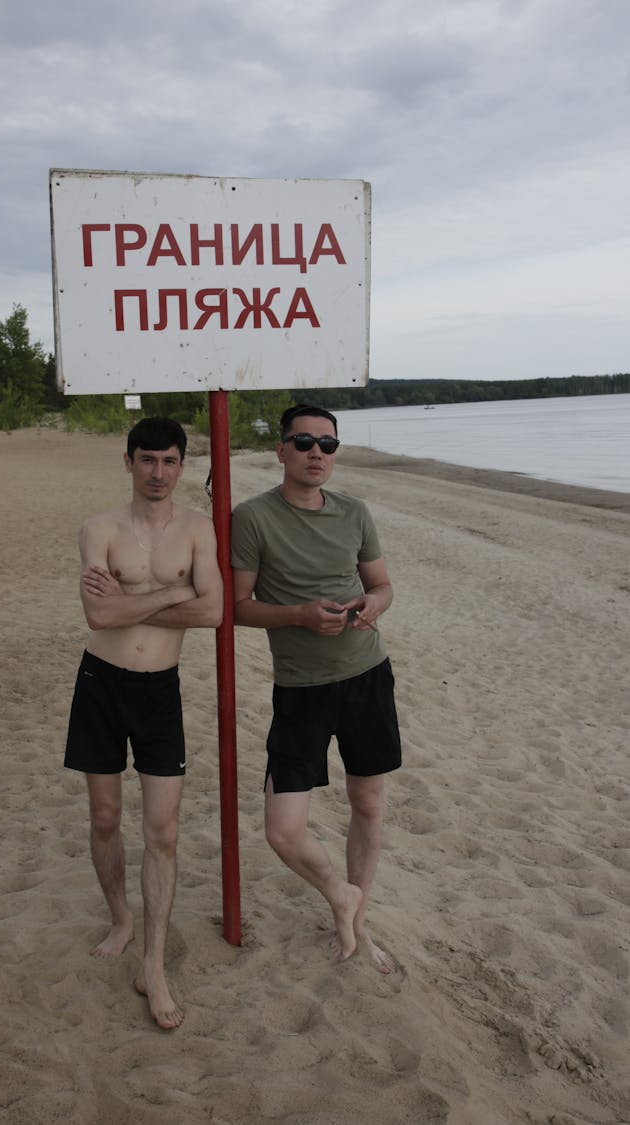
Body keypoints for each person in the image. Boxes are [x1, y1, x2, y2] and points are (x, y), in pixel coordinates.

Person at [64, 416, 223, 1029]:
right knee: (105, 817)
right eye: (147, 460)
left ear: (183, 465)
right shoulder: (99, 529)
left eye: (170, 461)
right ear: (127, 462)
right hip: (100, 685)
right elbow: (98, 619)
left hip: (161, 690)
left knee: (163, 830)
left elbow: (212, 613)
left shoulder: (197, 530)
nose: (158, 472)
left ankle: (153, 962)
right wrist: (174, 594)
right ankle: (121, 918)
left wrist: (131, 602)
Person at [230, 403, 401, 973]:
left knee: (368, 803)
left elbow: (380, 585)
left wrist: (371, 605)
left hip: (366, 676)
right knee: (282, 830)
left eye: (328, 445)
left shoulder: (354, 512)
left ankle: (355, 924)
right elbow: (239, 609)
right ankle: (341, 893)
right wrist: (300, 615)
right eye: (304, 443)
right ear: (281, 450)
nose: (316, 454)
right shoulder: (252, 518)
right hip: (301, 688)